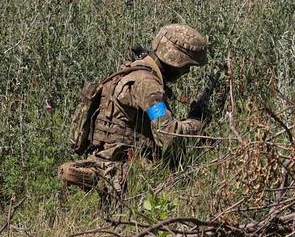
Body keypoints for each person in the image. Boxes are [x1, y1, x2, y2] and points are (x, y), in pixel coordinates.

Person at [58, 24, 211, 199]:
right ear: (176, 60)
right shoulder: (148, 86)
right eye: (187, 65)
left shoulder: (128, 72)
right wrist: (197, 121)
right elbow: (169, 136)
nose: (187, 71)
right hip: (128, 176)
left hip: (104, 160)